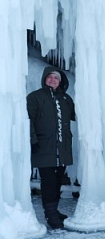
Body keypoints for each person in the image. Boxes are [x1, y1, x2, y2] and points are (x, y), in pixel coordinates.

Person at [27, 66, 75, 229]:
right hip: (44, 147)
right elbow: (28, 119)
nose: (53, 80)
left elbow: (77, 115)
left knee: (57, 182)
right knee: (48, 183)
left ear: (60, 82)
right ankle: (51, 215)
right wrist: (32, 140)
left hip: (62, 149)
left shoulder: (66, 99)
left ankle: (54, 210)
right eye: (50, 77)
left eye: (56, 78)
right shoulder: (35, 97)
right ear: (44, 79)